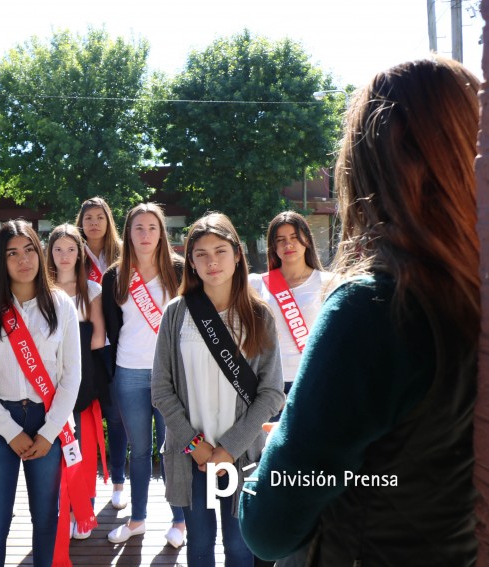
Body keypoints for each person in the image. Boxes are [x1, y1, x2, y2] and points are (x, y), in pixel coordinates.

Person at [239, 57, 480, 565]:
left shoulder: (374, 308)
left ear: (370, 164)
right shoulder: (465, 292)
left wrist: (277, 458)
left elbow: (269, 528)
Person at [152, 213, 284, 566]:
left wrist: (227, 449)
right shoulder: (176, 314)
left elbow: (271, 393)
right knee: (199, 546)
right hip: (190, 455)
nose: (212, 262)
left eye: (221, 251)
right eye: (201, 254)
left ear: (238, 254)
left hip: (239, 456)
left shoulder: (260, 315)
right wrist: (197, 446)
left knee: (240, 549)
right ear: (190, 261)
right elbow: (161, 390)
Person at [0, 220, 88, 567]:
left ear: (40, 251)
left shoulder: (61, 306)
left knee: (46, 519)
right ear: (1, 261)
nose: (23, 260)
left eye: (30, 249)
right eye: (12, 253)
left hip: (47, 422)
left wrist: (48, 433)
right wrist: (10, 431)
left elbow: (71, 376)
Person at [101, 203, 186, 547]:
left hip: (171, 376)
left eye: (152, 227)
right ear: (128, 233)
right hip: (129, 373)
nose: (146, 234)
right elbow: (111, 329)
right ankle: (137, 519)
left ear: (162, 232)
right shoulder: (114, 276)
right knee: (138, 450)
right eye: (139, 228)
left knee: (173, 449)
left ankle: (180, 521)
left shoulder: (180, 270)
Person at [46, 223, 108, 540]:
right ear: (50, 253)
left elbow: (98, 338)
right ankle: (62, 509)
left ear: (81, 253)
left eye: (72, 249)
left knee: (82, 448)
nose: (65, 255)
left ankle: (84, 510)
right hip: (45, 382)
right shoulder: (42, 290)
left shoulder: (92, 290)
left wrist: (72, 346)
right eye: (59, 249)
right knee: (54, 447)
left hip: (82, 381)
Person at [75, 197, 128, 510]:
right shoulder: (73, 253)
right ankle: (85, 483)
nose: (93, 223)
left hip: (117, 346)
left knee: (116, 417)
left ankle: (119, 481)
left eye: (100, 217)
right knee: (83, 418)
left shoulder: (122, 254)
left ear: (109, 220)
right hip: (82, 345)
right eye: (88, 217)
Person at [248, 212, 333, 402]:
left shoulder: (329, 283)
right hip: (269, 384)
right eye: (280, 240)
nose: (288, 244)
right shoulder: (256, 284)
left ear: (307, 240)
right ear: (273, 246)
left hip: (313, 379)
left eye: (294, 237)